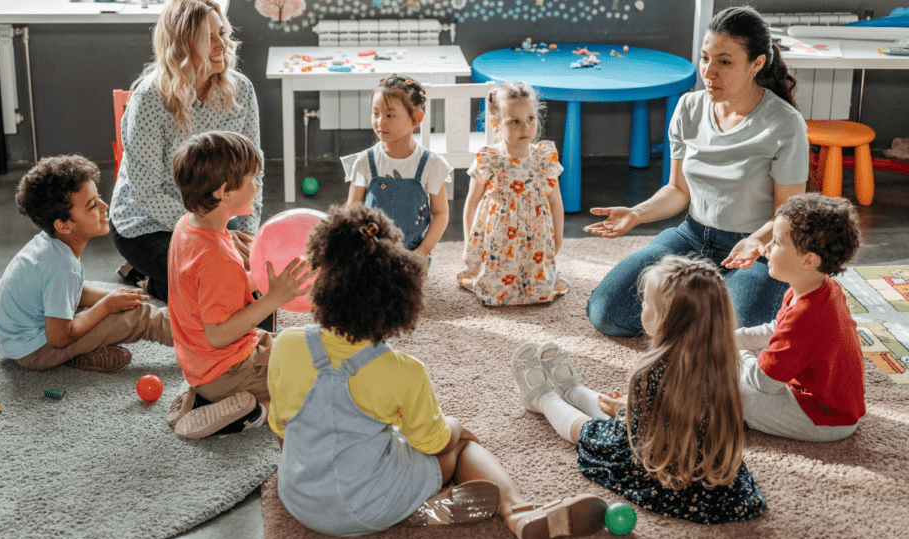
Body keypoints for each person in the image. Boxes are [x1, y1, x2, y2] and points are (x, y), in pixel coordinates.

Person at [268, 204, 608, 539]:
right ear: (399, 300)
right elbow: (434, 443)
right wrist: (456, 427)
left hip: (301, 500)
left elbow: (283, 428)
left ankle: (408, 507)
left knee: (366, 439)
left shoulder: (286, 345)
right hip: (371, 503)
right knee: (459, 446)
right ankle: (518, 511)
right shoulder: (404, 372)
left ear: (320, 281)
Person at [585, 6, 809, 337]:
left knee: (736, 338)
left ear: (757, 63)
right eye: (705, 58)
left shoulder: (785, 123)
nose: (709, 71)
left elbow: (787, 213)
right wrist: (636, 213)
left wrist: (757, 242)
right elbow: (677, 190)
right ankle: (705, 302)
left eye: (724, 61)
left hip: (755, 249)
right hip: (692, 235)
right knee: (606, 312)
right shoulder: (689, 108)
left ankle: (706, 304)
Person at [513, 254, 766, 524]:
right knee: (616, 415)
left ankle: (543, 398)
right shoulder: (727, 361)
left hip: (669, 473)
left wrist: (628, 410)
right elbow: (679, 412)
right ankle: (574, 390)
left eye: (646, 303)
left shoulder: (651, 372)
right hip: (716, 478)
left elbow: (637, 434)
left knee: (591, 431)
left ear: (665, 319)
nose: (641, 305)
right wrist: (629, 407)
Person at [108, 0, 263, 302]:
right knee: (219, 282)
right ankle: (151, 280)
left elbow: (252, 172)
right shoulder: (150, 99)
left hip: (214, 215)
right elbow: (147, 192)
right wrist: (215, 234)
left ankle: (158, 277)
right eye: (209, 39)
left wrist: (248, 236)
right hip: (146, 225)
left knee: (244, 278)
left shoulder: (241, 90)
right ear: (181, 47)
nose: (223, 46)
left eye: (223, 33)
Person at [164, 131, 312, 439]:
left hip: (200, 363)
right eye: (252, 179)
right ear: (225, 193)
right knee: (317, 383)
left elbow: (205, 294)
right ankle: (251, 411)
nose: (257, 186)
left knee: (297, 343)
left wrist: (257, 280)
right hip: (228, 368)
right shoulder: (217, 257)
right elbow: (218, 335)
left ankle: (201, 396)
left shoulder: (187, 226)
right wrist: (273, 298)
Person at [0, 156, 173, 374]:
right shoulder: (62, 267)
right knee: (138, 317)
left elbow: (73, 290)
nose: (104, 206)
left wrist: (109, 297)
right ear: (64, 225)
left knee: (115, 306)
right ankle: (207, 341)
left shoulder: (50, 244)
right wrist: (106, 306)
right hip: (37, 351)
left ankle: (82, 355)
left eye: (99, 197)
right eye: (92, 205)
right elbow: (59, 338)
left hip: (21, 342)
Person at [735, 194, 864, 441]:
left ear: (808, 260)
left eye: (776, 242)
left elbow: (763, 383)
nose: (766, 248)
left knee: (738, 393)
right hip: (823, 398)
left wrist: (733, 353)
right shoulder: (817, 287)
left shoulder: (806, 315)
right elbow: (776, 330)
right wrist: (733, 339)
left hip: (826, 417)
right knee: (742, 357)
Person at [458, 81, 568, 305]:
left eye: (530, 119)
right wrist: (469, 244)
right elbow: (471, 204)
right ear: (496, 123)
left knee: (538, 291)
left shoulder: (544, 159)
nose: (525, 128)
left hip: (535, 241)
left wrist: (558, 239)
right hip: (499, 244)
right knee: (495, 291)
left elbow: (556, 202)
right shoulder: (488, 160)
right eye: (515, 121)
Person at [342, 75, 451, 264]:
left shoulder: (432, 165)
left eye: (390, 115)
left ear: (416, 118)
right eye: (376, 113)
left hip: (412, 253)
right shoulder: (364, 161)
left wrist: (423, 251)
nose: (380, 122)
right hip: (371, 250)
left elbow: (440, 213)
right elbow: (353, 209)